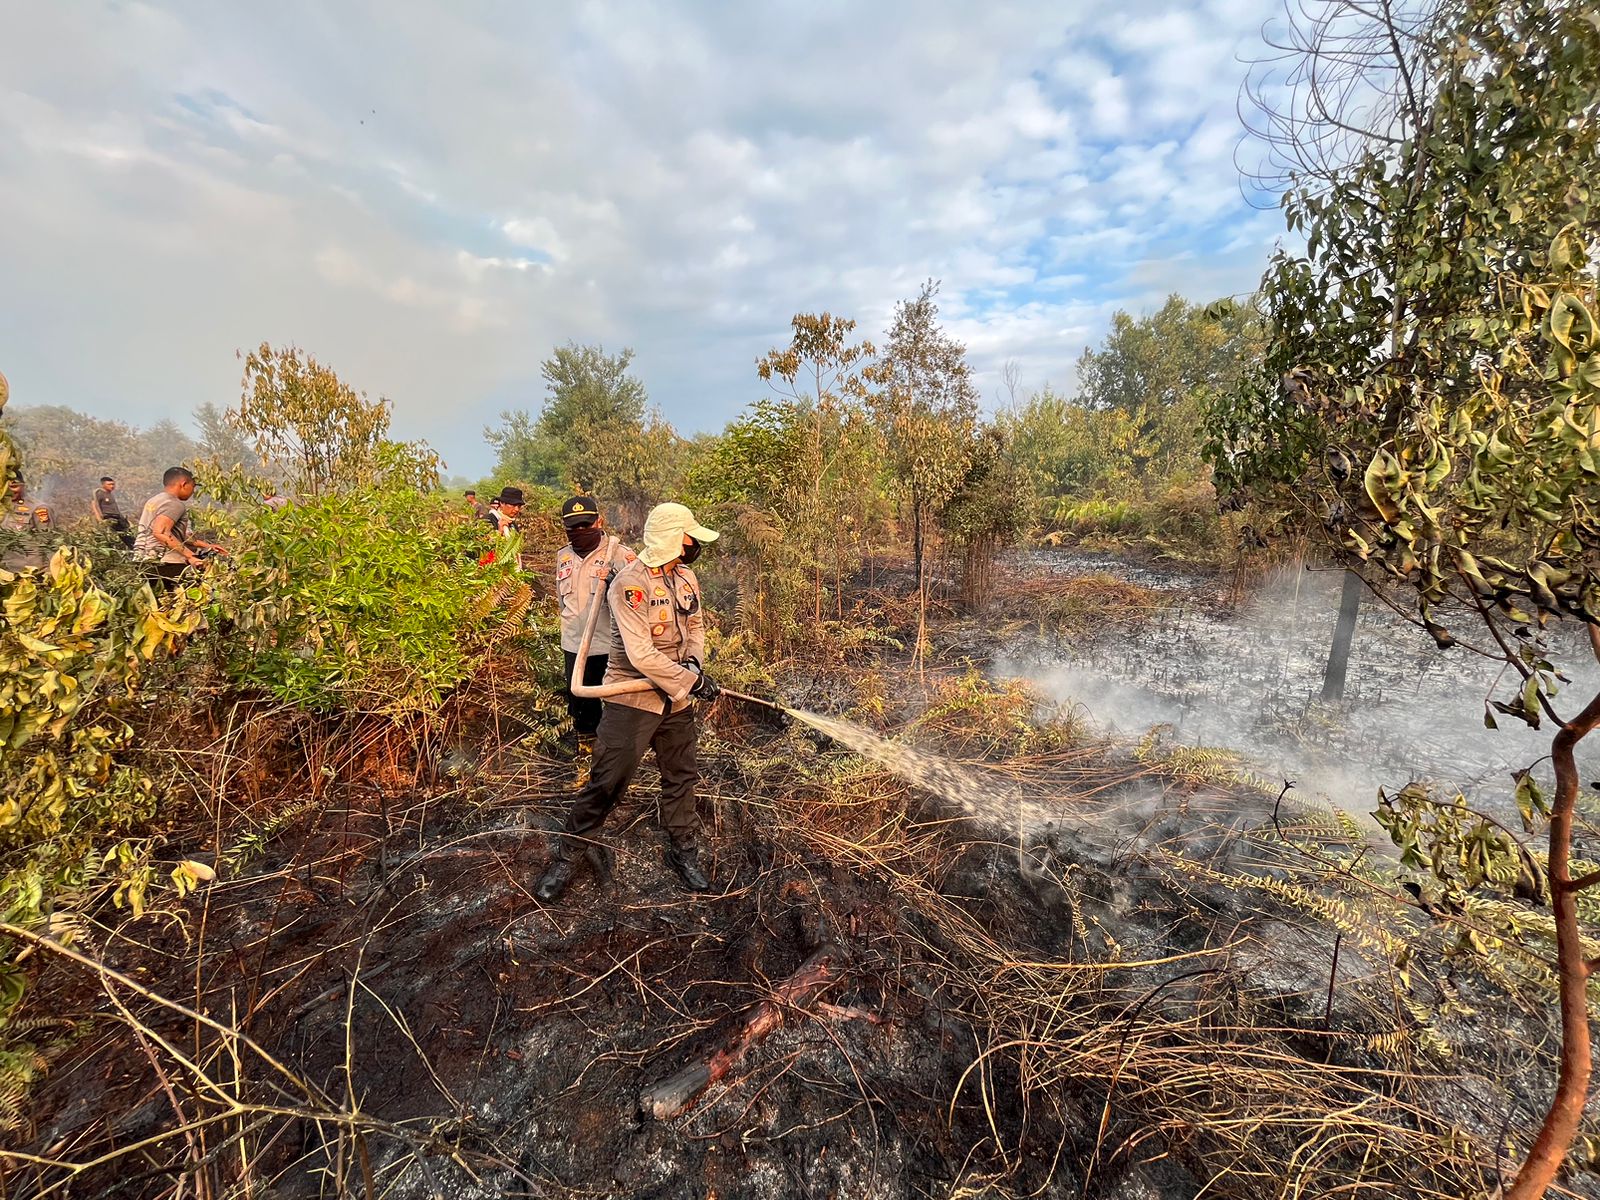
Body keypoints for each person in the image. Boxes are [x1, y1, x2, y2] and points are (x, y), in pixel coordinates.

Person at [535, 502, 721, 901]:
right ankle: (569, 856)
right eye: (690, 537)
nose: (695, 545)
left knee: (681, 776)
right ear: (673, 539)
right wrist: (690, 680)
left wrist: (694, 663)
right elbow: (641, 655)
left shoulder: (686, 577)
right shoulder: (629, 584)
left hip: (676, 700)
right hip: (633, 698)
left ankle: (684, 851)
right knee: (607, 782)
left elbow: (696, 626)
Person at [555, 495, 635, 751]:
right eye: (574, 527)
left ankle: (616, 753)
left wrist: (614, 583)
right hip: (574, 644)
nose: (580, 531)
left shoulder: (621, 556)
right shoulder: (563, 556)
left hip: (609, 645)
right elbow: (562, 601)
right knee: (580, 703)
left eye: (586, 525)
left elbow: (635, 605)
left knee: (617, 704)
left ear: (599, 521)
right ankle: (587, 753)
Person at [134, 467, 227, 588]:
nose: (193, 491)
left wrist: (207, 546)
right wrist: (191, 556)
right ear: (184, 484)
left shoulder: (155, 500)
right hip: (165, 563)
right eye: (193, 486)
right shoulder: (174, 504)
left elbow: (181, 536)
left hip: (143, 559)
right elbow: (161, 533)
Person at [1, 475, 56, 568]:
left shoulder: (39, 508)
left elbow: (49, 543)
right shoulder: (3, 506)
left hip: (28, 568)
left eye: (14, 486)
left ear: (23, 486)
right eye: (6, 487)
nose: (10, 490)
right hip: (4, 567)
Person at [91, 476, 133, 545]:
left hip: (117, 517)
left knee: (127, 534)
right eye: (109, 484)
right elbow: (94, 505)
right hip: (109, 518)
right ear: (103, 485)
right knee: (113, 537)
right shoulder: (99, 493)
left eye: (113, 484)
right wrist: (99, 519)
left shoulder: (109, 494)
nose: (112, 486)